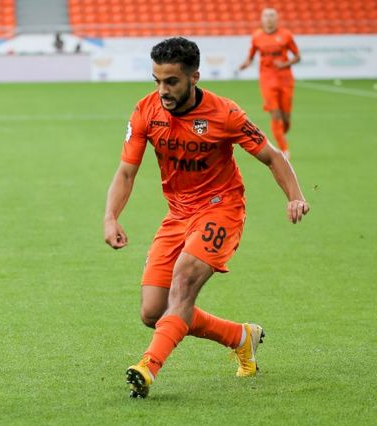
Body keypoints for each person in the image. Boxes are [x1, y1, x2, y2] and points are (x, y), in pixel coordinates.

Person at [103, 37, 309, 398]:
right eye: (157, 81)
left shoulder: (225, 113)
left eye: (171, 82)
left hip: (221, 207)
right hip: (178, 213)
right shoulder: (146, 111)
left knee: (183, 282)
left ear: (194, 77)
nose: (163, 90)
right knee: (154, 311)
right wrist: (110, 217)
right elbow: (126, 172)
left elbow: (272, 156)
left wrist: (295, 197)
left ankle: (148, 367)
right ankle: (241, 337)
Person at [239, 8, 300, 159]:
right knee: (275, 114)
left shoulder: (286, 35)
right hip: (267, 79)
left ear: (277, 18)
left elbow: (297, 56)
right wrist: (245, 64)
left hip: (285, 79)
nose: (269, 18)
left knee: (286, 119)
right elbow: (251, 55)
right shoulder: (257, 36)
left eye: (272, 15)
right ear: (262, 19)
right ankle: (284, 149)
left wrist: (285, 64)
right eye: (266, 16)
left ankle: (281, 132)